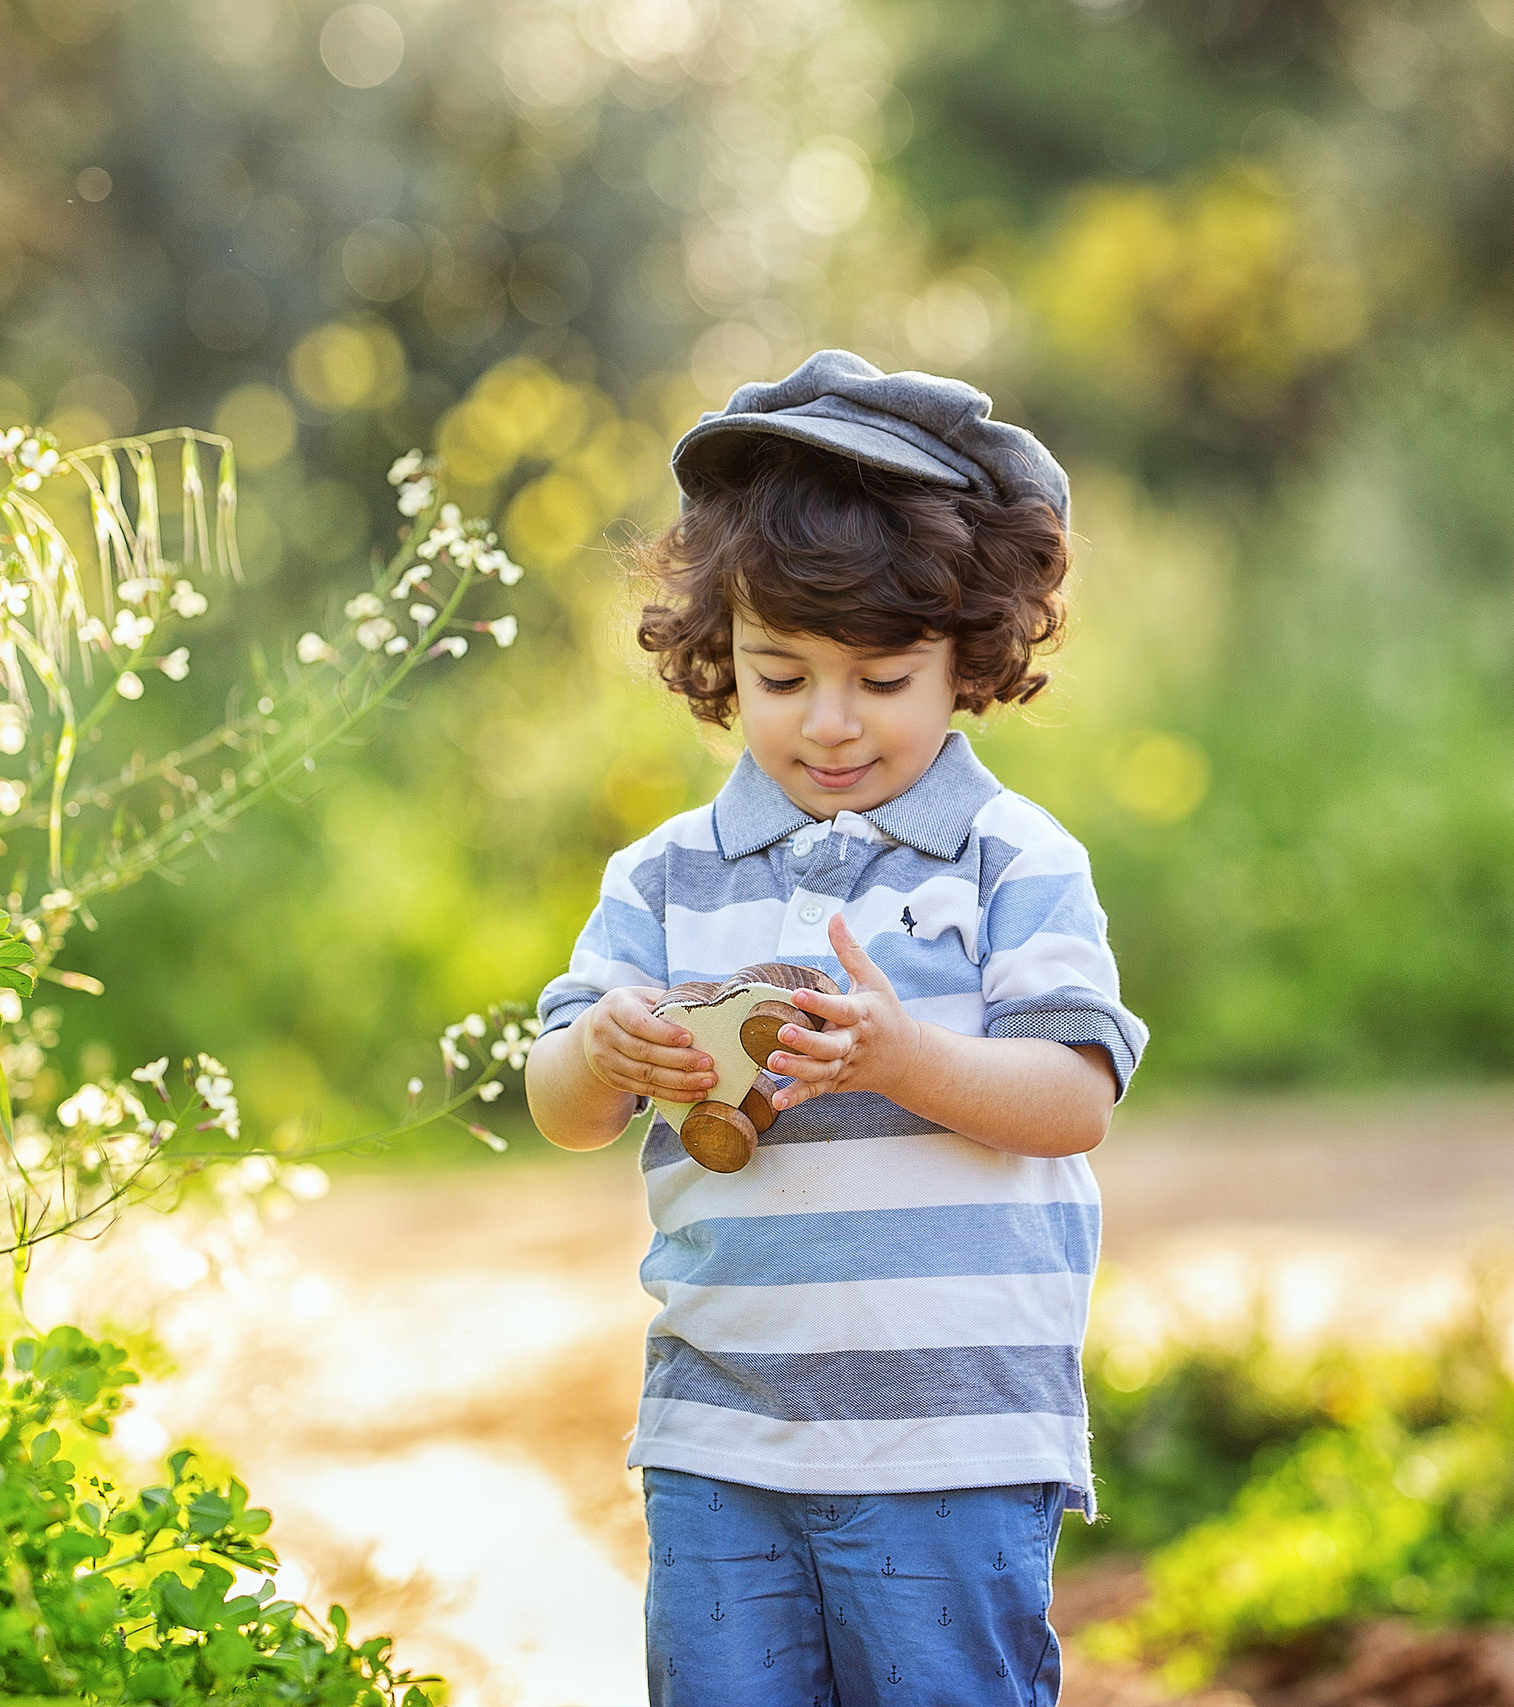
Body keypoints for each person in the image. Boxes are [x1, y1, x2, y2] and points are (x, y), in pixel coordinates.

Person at [526, 349, 1151, 1705]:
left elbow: (1074, 1097)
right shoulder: (663, 878)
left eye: (881, 679)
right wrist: (602, 1051)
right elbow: (562, 1109)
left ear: (965, 659)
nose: (828, 723)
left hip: (953, 1444)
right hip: (719, 1441)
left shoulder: (1008, 859)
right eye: (780, 673)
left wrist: (902, 1059)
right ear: (719, 658)